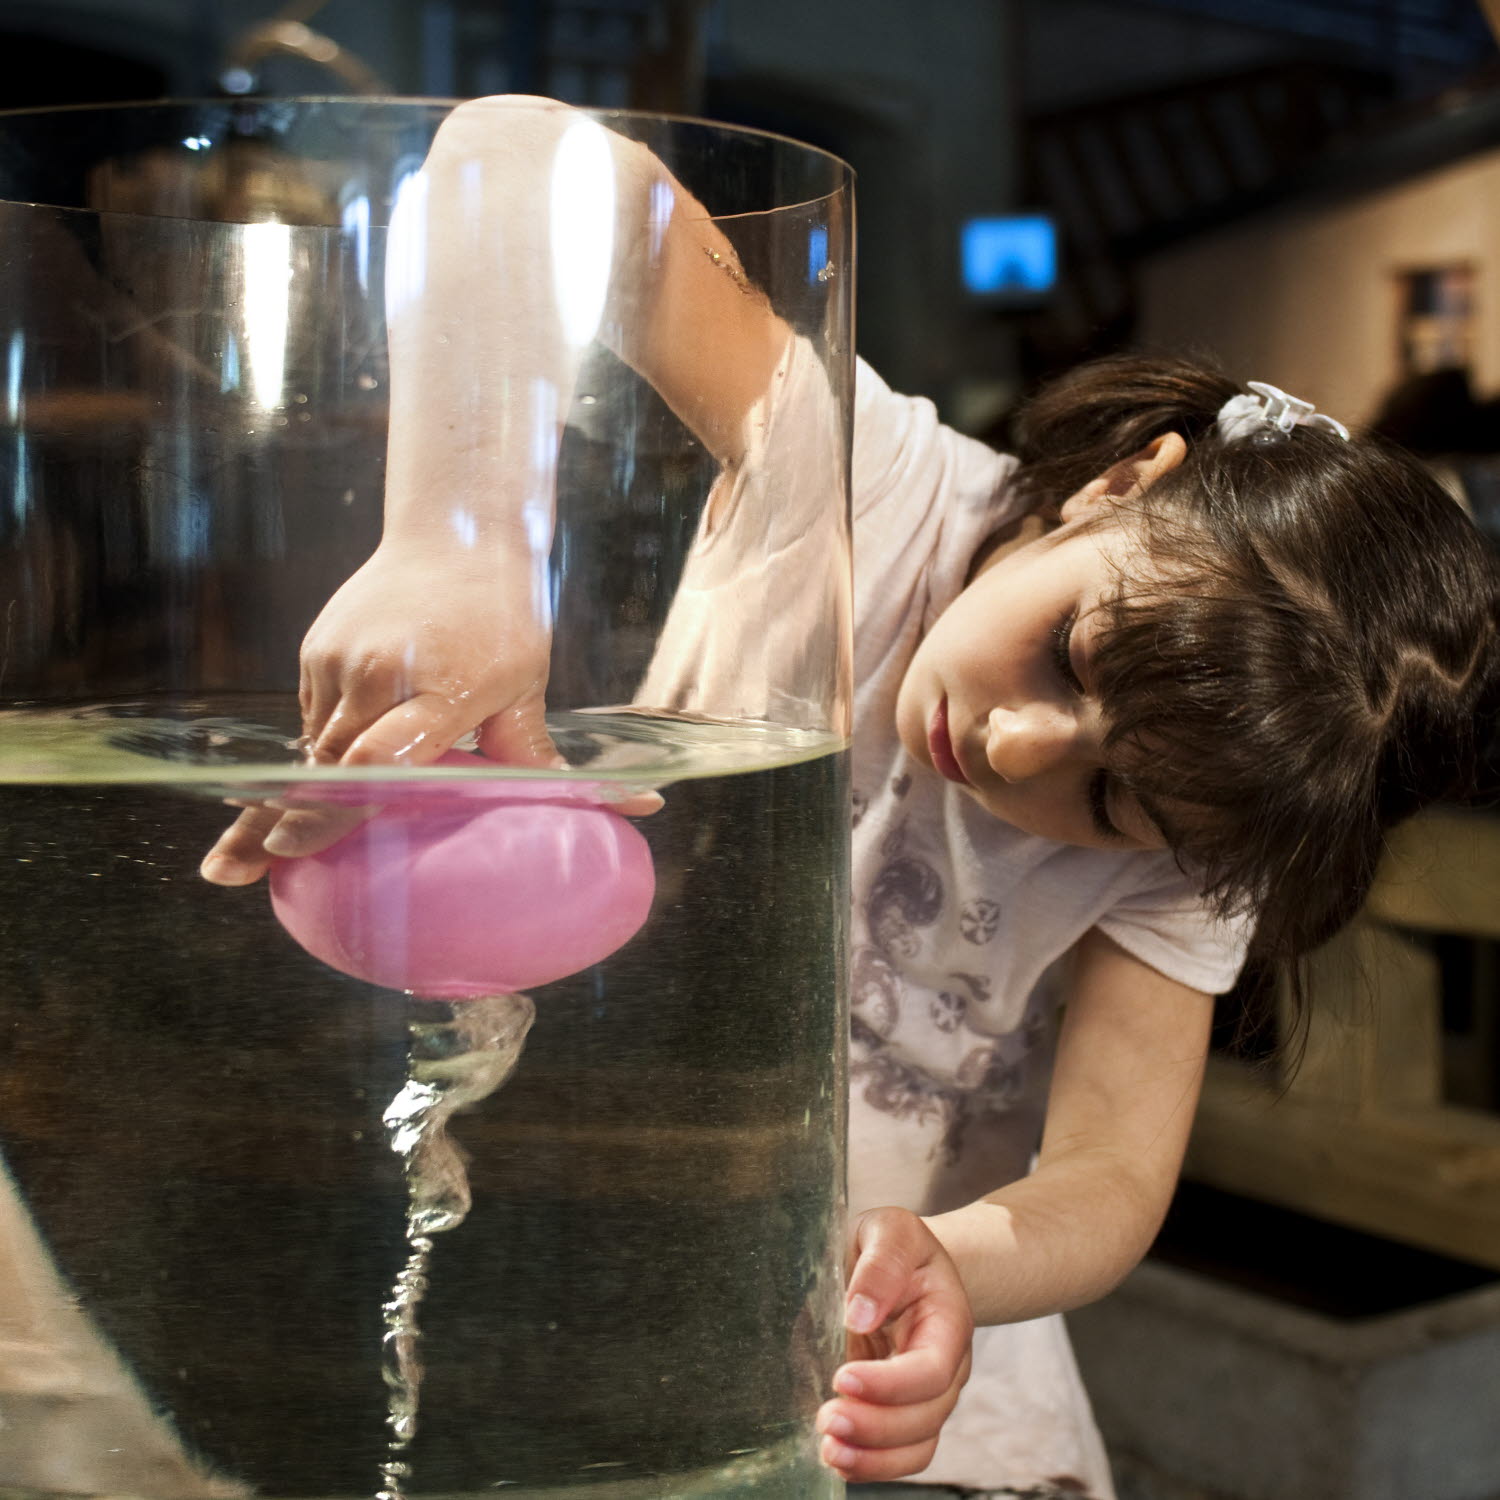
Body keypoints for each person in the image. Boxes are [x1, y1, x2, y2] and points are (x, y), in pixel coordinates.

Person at [199, 98, 1500, 1499]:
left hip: (892, 1346)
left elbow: (1111, 1180)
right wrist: (456, 543)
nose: (1014, 748)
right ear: (1125, 484)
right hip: (596, 1267)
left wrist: (953, 1265)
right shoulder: (869, 487)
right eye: (1072, 650)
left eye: (1115, 798)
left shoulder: (1204, 840)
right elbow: (519, 155)